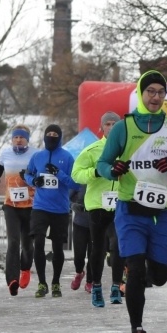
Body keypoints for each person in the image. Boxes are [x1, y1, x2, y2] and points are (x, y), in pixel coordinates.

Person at [96, 70, 167, 333]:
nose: (155, 97)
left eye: (160, 92)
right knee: (137, 269)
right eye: (150, 91)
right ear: (141, 94)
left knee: (160, 276)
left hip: (162, 211)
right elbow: (103, 164)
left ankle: (139, 279)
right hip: (130, 209)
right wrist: (113, 170)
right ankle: (136, 330)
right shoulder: (123, 128)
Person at [71, 111, 125, 307]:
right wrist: (95, 172)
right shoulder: (92, 150)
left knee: (118, 246)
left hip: (121, 204)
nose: (111, 127)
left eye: (114, 124)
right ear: (101, 128)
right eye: (107, 124)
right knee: (98, 248)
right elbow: (76, 174)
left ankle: (116, 286)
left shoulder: (127, 149)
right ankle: (96, 287)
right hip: (97, 205)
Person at [24, 124, 79, 298]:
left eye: (55, 134)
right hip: (40, 207)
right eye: (49, 134)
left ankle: (55, 282)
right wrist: (34, 181)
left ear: (60, 137)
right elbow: (27, 174)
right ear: (44, 137)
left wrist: (59, 174)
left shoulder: (67, 157)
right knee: (38, 243)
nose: (51, 136)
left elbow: (75, 183)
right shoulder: (37, 156)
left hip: (60, 209)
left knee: (57, 247)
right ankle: (42, 283)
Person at [0, 124, 38, 296]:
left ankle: (25, 268)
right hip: (11, 205)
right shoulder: (5, 153)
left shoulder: (35, 154)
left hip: (32, 206)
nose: (18, 140)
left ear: (27, 139)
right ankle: (12, 280)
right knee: (13, 242)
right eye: (15, 137)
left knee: (27, 244)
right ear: (12, 139)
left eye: (22, 137)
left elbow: (41, 175)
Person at [69, 184, 93, 293]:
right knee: (79, 254)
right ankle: (79, 272)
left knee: (93, 254)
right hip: (80, 223)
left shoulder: (103, 180)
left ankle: (90, 281)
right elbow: (67, 198)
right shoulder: (79, 181)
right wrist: (73, 205)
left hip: (97, 224)